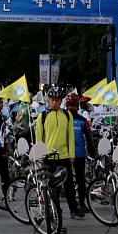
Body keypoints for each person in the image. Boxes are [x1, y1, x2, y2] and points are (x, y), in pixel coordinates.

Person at [36, 86, 83, 219]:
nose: (55, 102)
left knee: (68, 186)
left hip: (64, 155)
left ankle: (73, 209)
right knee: (52, 187)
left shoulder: (67, 115)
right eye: (52, 99)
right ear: (48, 100)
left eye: (57, 100)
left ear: (61, 100)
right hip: (48, 156)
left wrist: (72, 154)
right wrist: (40, 154)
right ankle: (55, 210)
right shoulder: (43, 116)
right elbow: (39, 137)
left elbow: (71, 136)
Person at [66, 94, 94, 211]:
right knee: (80, 179)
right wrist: (93, 156)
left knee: (66, 181)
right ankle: (82, 204)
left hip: (65, 154)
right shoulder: (83, 120)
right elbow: (89, 138)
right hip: (79, 153)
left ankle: (71, 206)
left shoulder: (62, 118)